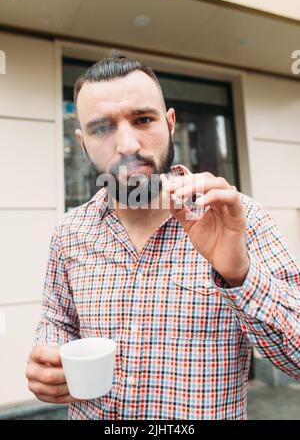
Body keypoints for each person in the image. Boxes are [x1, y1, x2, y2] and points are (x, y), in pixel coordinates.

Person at [26, 52, 300, 420]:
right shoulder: (69, 232)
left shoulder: (239, 217)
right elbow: (56, 321)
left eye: (143, 119)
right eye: (102, 127)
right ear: (82, 141)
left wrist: (240, 276)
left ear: (169, 123)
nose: (127, 145)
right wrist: (50, 357)